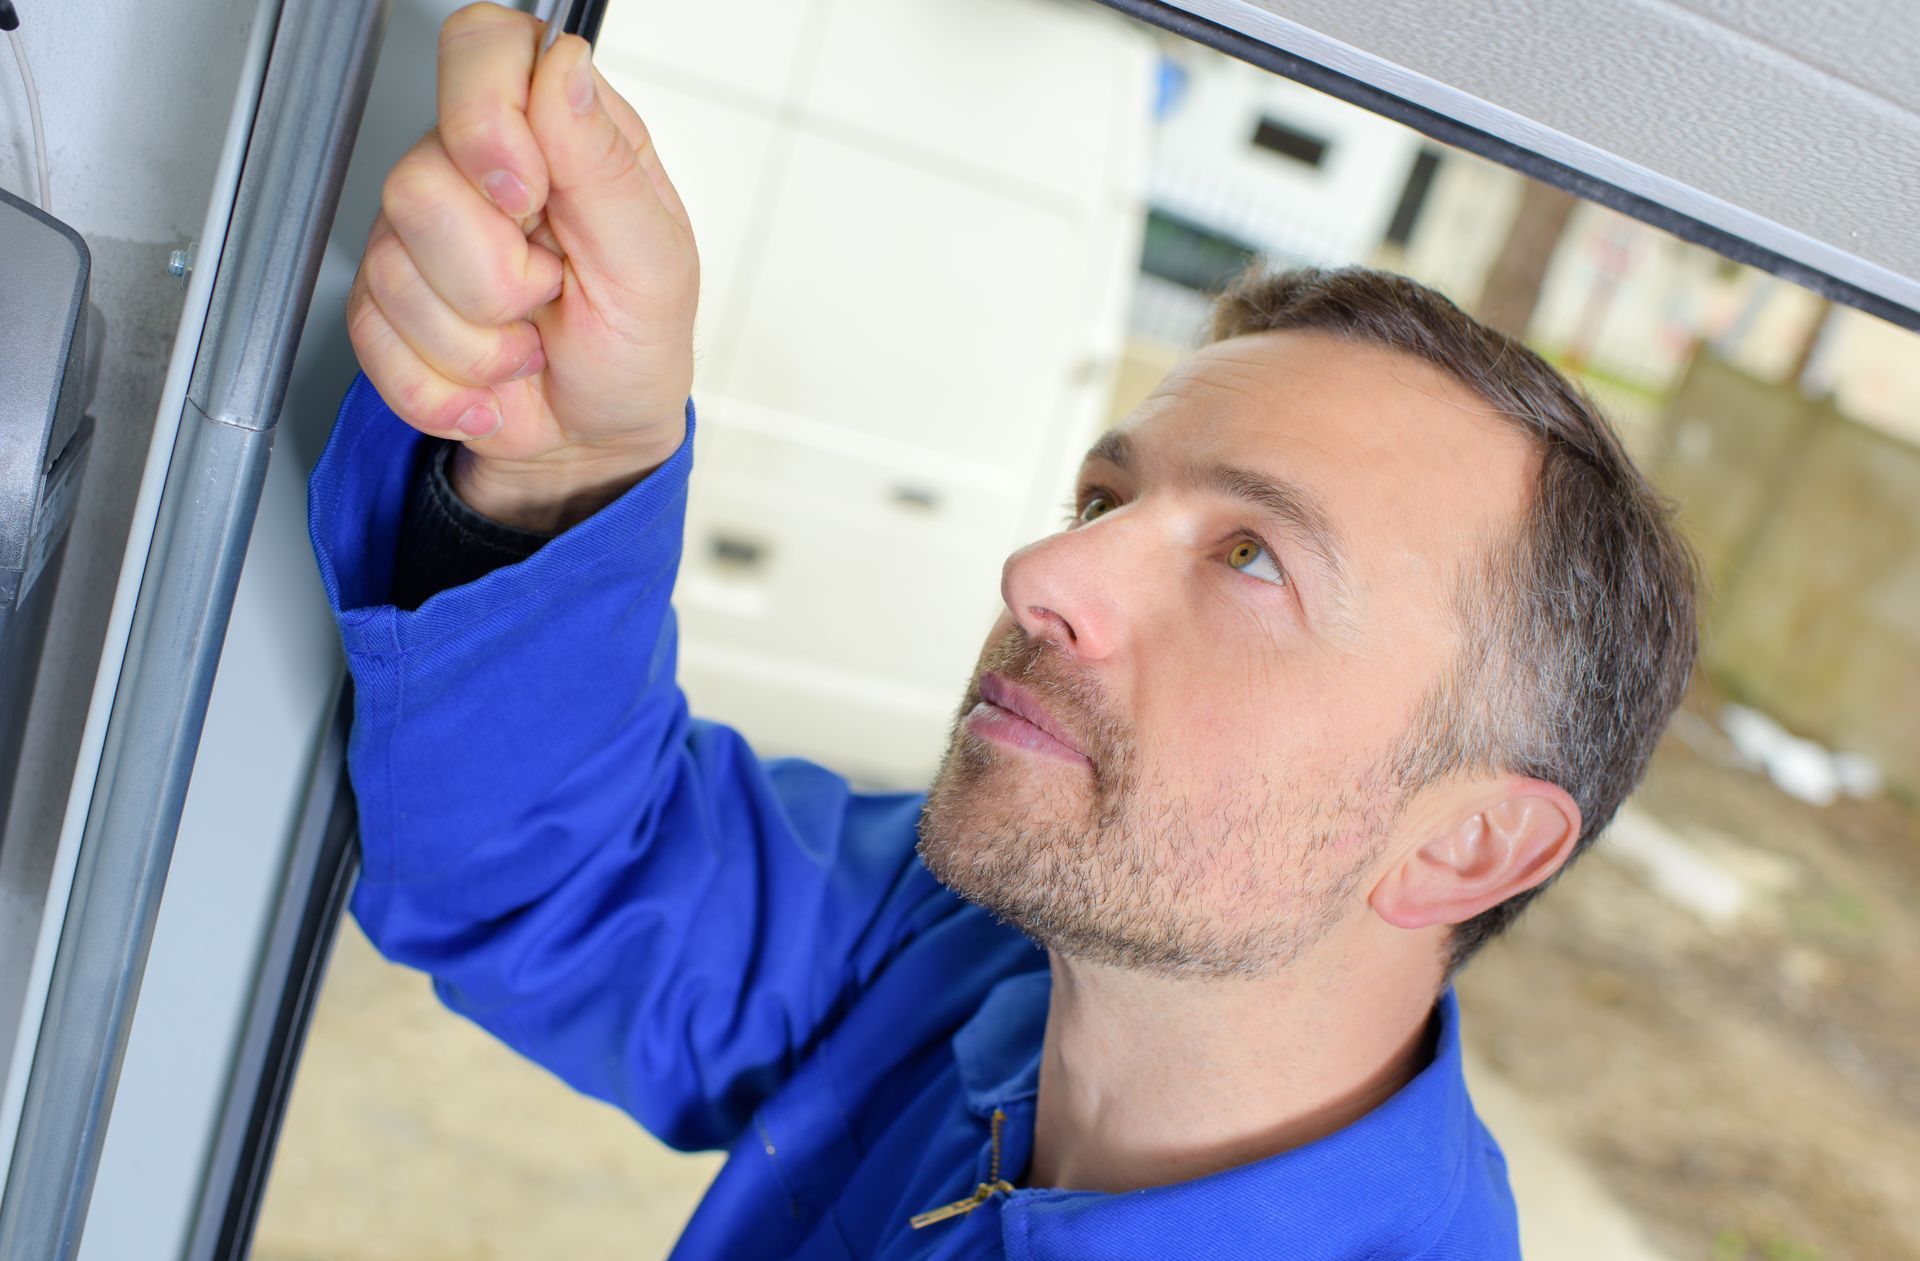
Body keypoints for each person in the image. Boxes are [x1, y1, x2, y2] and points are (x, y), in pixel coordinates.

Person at [308, 5, 1699, 1257]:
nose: (1043, 569)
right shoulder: (972, 964)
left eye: (1251, 554)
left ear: (1467, 844)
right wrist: (564, 461)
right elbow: (557, 874)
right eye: (1103, 494)